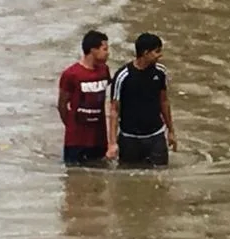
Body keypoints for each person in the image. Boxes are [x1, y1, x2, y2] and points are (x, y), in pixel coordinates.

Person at [108, 33, 176, 167]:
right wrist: (112, 143)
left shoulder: (160, 72)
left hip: (156, 136)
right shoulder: (123, 76)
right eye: (157, 51)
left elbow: (164, 102)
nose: (160, 55)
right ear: (146, 53)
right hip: (129, 138)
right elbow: (114, 110)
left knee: (161, 176)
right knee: (127, 177)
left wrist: (171, 131)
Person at [58, 30, 112, 167]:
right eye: (104, 49)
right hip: (76, 140)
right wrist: (71, 126)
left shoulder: (104, 70)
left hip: (99, 138)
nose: (108, 53)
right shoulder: (71, 74)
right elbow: (62, 104)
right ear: (93, 50)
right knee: (74, 178)